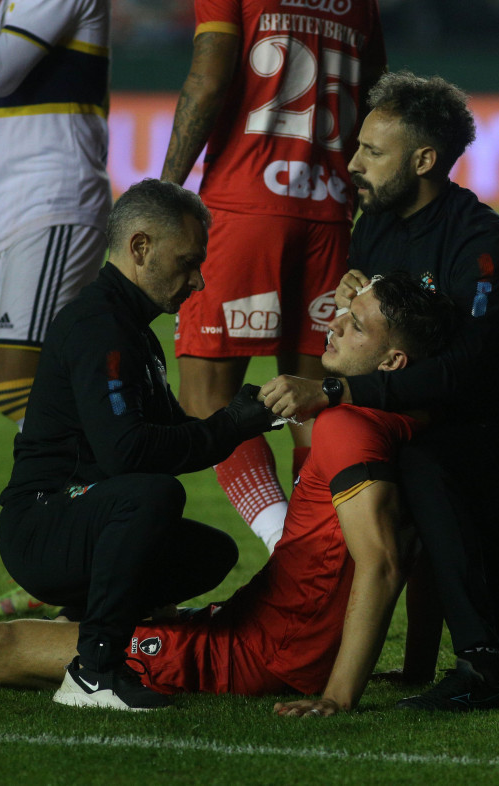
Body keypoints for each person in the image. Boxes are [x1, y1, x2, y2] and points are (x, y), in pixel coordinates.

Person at [0, 272, 469, 717]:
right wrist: (418, 665)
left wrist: (338, 697)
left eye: (357, 322)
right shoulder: (400, 422)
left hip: (249, 656)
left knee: (4, 650)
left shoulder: (347, 432)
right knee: (128, 587)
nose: (336, 320)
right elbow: (413, 548)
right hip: (248, 628)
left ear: (393, 357)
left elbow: (382, 566)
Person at [259, 71, 499, 711]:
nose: (353, 164)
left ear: (425, 160)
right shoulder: (375, 225)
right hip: (452, 433)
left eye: (373, 153)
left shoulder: (482, 246)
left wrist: (336, 391)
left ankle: (479, 671)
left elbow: (463, 372)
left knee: (423, 465)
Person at [0, 178, 285, 710]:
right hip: (42, 522)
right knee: (151, 495)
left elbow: (174, 437)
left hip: (81, 517)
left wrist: (241, 418)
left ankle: (84, 619)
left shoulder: (132, 328)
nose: (197, 281)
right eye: (187, 262)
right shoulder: (99, 326)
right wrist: (229, 426)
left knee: (210, 552)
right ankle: (94, 671)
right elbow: (127, 453)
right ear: (140, 247)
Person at [159, 0, 387, 553]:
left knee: (207, 398)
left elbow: (209, 80)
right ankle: (325, 555)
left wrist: (166, 191)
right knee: (317, 402)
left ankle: (287, 543)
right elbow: (379, 103)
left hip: (244, 206)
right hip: (330, 213)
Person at [0, 0, 113, 618]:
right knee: (49, 387)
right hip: (8, 202)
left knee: (21, 386)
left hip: (51, 195)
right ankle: (78, 561)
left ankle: (70, 551)